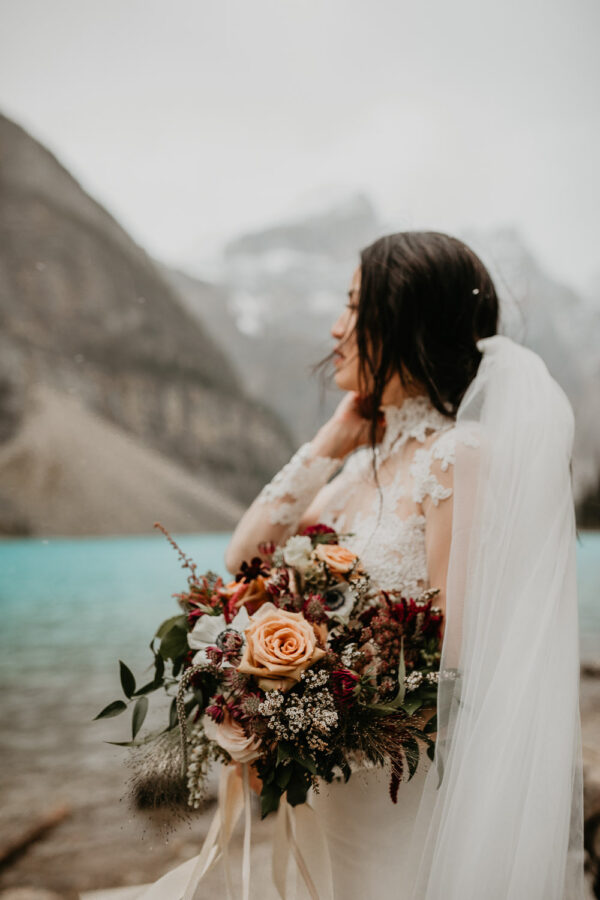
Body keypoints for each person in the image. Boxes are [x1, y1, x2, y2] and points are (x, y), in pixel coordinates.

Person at [86, 231, 584, 899]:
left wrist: (312, 718)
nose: (336, 327)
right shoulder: (361, 465)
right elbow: (246, 555)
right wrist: (331, 441)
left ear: (404, 321)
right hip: (334, 791)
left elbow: (453, 667)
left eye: (354, 307)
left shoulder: (459, 459)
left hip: (394, 797)